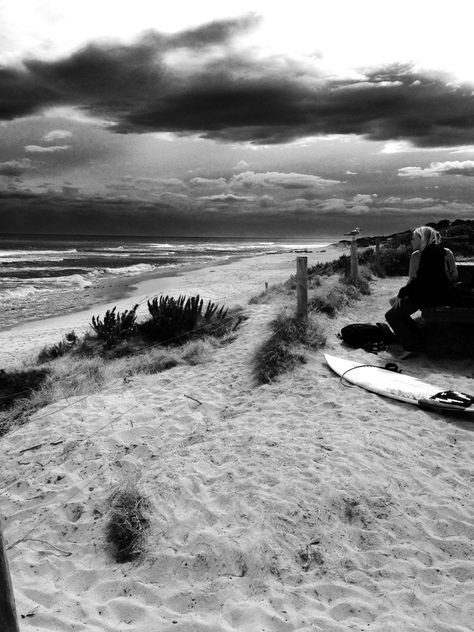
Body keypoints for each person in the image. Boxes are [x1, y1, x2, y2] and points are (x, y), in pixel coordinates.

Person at [385, 226, 458, 356]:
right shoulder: (433, 252)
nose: (411, 241)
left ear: (422, 239)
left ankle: (411, 346)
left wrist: (402, 294)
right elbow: (421, 280)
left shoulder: (430, 254)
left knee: (391, 315)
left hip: (431, 296)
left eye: (414, 239)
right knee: (398, 310)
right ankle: (417, 339)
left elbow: (420, 281)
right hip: (433, 294)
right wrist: (403, 294)